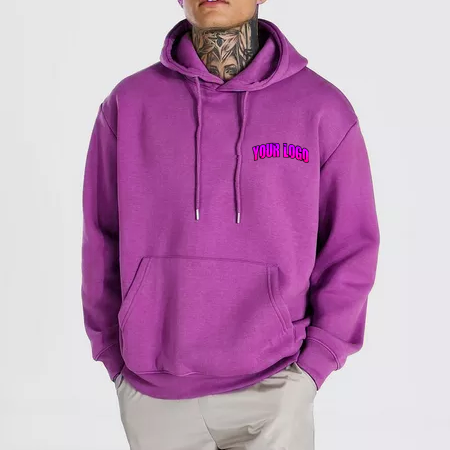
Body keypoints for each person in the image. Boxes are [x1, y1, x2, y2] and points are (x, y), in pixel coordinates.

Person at [81, 0, 380, 448]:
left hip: (274, 386)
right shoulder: (129, 104)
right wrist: (112, 356)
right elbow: (100, 236)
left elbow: (351, 246)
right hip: (154, 393)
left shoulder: (321, 108)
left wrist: (314, 367)